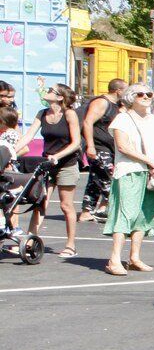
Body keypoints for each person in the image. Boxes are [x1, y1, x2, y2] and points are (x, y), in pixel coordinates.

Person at [103, 86, 154, 275]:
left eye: (149, 94)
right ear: (131, 97)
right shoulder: (122, 119)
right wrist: (151, 162)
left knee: (143, 215)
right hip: (130, 171)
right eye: (141, 94)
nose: (146, 97)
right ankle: (114, 259)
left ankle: (134, 257)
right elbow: (123, 147)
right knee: (125, 214)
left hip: (151, 172)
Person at [27, 84, 83, 257]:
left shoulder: (69, 114)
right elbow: (28, 136)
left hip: (66, 164)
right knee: (39, 203)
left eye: (51, 90)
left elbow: (76, 143)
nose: (47, 92)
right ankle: (29, 241)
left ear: (60, 97)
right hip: (47, 164)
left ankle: (70, 244)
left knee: (66, 205)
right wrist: (11, 150)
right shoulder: (42, 113)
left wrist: (58, 155)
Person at [79, 78, 128, 221]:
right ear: (118, 90)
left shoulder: (116, 105)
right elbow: (88, 122)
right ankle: (116, 209)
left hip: (110, 147)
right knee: (108, 177)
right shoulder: (101, 102)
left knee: (95, 179)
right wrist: (90, 146)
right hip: (99, 147)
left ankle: (86, 212)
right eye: (125, 90)